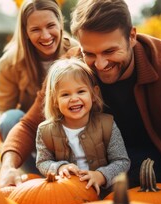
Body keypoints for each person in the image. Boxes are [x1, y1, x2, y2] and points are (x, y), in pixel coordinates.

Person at [0, 0, 161, 204]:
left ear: (132, 36)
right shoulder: (71, 66)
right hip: (92, 163)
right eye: (90, 54)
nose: (101, 64)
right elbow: (28, 125)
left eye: (110, 51)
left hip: (159, 156)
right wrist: (8, 166)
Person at [36, 58, 130, 196]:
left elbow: (122, 162)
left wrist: (101, 175)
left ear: (93, 94)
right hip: (66, 195)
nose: (74, 98)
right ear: (55, 101)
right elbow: (43, 162)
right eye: (65, 94)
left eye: (80, 91)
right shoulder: (46, 131)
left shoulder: (107, 125)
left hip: (105, 195)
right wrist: (59, 167)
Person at [0, 0, 78, 143]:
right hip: (34, 130)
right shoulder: (9, 63)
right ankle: (30, 164)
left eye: (50, 26)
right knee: (9, 119)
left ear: (60, 23)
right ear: (25, 32)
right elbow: (4, 108)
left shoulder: (76, 52)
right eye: (36, 29)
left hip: (71, 129)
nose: (45, 36)